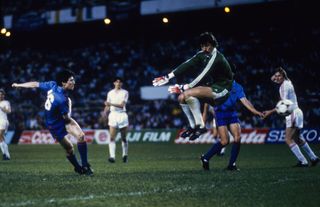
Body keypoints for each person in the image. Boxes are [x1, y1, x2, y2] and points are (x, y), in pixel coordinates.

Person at [153, 32, 233, 141]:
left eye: (207, 45)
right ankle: (194, 126)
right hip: (212, 88)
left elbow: (203, 75)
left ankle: (201, 126)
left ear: (213, 44)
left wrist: (184, 87)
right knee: (181, 98)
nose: (205, 48)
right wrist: (167, 76)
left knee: (186, 93)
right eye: (203, 45)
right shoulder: (202, 54)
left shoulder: (217, 57)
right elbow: (187, 64)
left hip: (223, 90)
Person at [12, 70, 93, 175]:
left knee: (81, 136)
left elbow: (35, 84)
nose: (74, 82)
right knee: (69, 149)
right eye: (71, 81)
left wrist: (19, 85)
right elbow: (67, 118)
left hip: (58, 119)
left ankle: (85, 165)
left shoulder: (52, 85)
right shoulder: (62, 100)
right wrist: (70, 105)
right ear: (63, 83)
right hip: (55, 124)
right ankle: (78, 168)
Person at [201, 81, 263, 171]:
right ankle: (206, 158)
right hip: (220, 114)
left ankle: (231, 165)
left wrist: (256, 112)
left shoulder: (237, 87)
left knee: (237, 138)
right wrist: (202, 124)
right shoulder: (216, 85)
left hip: (232, 113)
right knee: (225, 141)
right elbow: (205, 109)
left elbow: (245, 101)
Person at [263, 67, 319, 167]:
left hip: (292, 113)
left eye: (279, 76)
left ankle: (303, 161)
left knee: (288, 139)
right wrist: (276, 77)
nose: (277, 77)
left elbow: (283, 105)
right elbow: (274, 78)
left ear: (283, 76)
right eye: (276, 76)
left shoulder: (284, 87)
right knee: (297, 138)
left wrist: (269, 112)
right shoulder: (288, 82)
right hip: (298, 112)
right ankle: (313, 158)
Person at [104, 77, 129, 163]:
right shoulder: (110, 93)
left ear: (121, 84)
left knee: (124, 138)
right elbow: (107, 105)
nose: (118, 83)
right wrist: (104, 113)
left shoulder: (125, 92)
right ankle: (112, 157)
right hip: (113, 115)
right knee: (111, 137)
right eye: (116, 82)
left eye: (120, 82)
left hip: (122, 115)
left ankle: (125, 155)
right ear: (114, 83)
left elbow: (122, 105)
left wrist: (110, 104)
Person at [0, 89, 11, 160]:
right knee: (1, 138)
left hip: (3, 121)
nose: (0, 96)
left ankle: (5, 154)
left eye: (1, 94)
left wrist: (2, 108)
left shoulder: (6, 102)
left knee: (0, 135)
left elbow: (9, 111)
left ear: (4, 95)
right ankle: (6, 155)